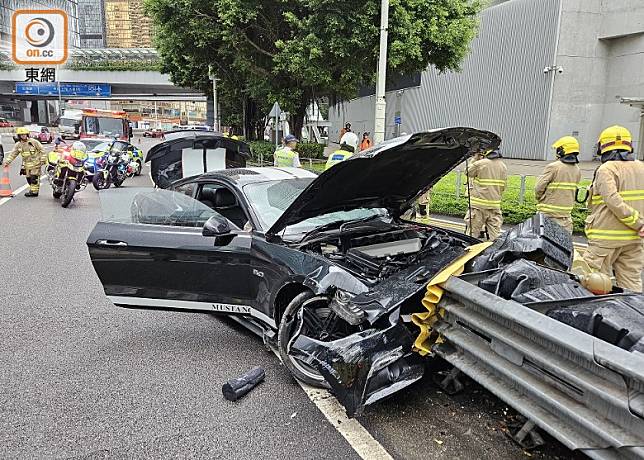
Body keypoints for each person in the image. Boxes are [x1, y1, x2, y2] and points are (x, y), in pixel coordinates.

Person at [582, 125, 644, 292]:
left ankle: (598, 315)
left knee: (594, 283)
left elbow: (613, 201)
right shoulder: (641, 167)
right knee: (631, 284)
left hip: (605, 240)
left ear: (603, 146)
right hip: (634, 240)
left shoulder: (607, 169)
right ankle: (632, 316)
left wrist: (637, 222)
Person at [534, 136, 582, 233]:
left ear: (561, 151)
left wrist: (540, 198)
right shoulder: (577, 169)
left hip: (548, 214)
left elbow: (539, 187)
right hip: (566, 216)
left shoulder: (553, 167)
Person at [464, 148, 508, 240]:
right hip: (494, 206)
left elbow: (467, 172)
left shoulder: (480, 164)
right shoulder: (503, 166)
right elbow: (503, 187)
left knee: (471, 235)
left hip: (478, 206)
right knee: (495, 236)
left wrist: (475, 158)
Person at [3, 127, 46, 197]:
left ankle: (34, 192)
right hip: (26, 165)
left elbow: (42, 150)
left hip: (36, 164)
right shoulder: (18, 145)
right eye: (21, 135)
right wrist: (7, 162)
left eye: (24, 134)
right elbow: (13, 154)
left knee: (34, 178)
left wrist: (43, 159)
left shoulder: (34, 142)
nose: (23, 136)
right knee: (29, 179)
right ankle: (33, 190)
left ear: (27, 134)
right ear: (19, 136)